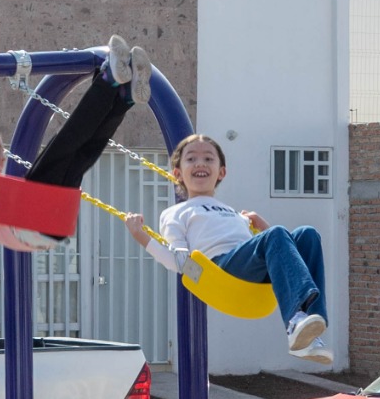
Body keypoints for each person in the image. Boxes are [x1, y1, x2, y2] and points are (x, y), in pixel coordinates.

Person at [0, 35, 145, 251]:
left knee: (85, 151)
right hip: (29, 220)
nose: (2, 157)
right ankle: (107, 82)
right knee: (68, 141)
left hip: (50, 224)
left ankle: (123, 99)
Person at [124, 133, 333, 365]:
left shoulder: (231, 212)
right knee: (276, 234)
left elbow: (284, 257)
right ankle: (295, 321)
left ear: (221, 172)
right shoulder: (177, 212)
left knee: (308, 234)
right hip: (220, 270)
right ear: (177, 174)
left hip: (251, 268)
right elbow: (178, 261)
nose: (200, 163)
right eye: (191, 159)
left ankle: (311, 328)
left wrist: (262, 227)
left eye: (208, 159)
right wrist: (141, 236)